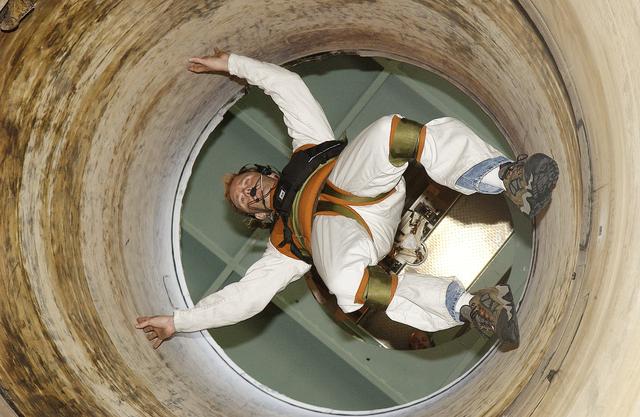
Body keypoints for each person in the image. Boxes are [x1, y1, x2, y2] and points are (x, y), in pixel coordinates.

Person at [136, 49, 559, 351]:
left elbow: (286, 86)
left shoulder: (309, 148)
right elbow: (244, 299)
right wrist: (179, 322)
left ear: (266, 173)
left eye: (247, 183)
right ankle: (471, 307)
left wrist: (231, 63)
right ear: (260, 215)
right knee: (344, 285)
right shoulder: (284, 245)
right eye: (244, 201)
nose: (247, 192)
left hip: (362, 187)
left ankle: (504, 177)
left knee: (390, 132)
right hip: (347, 236)